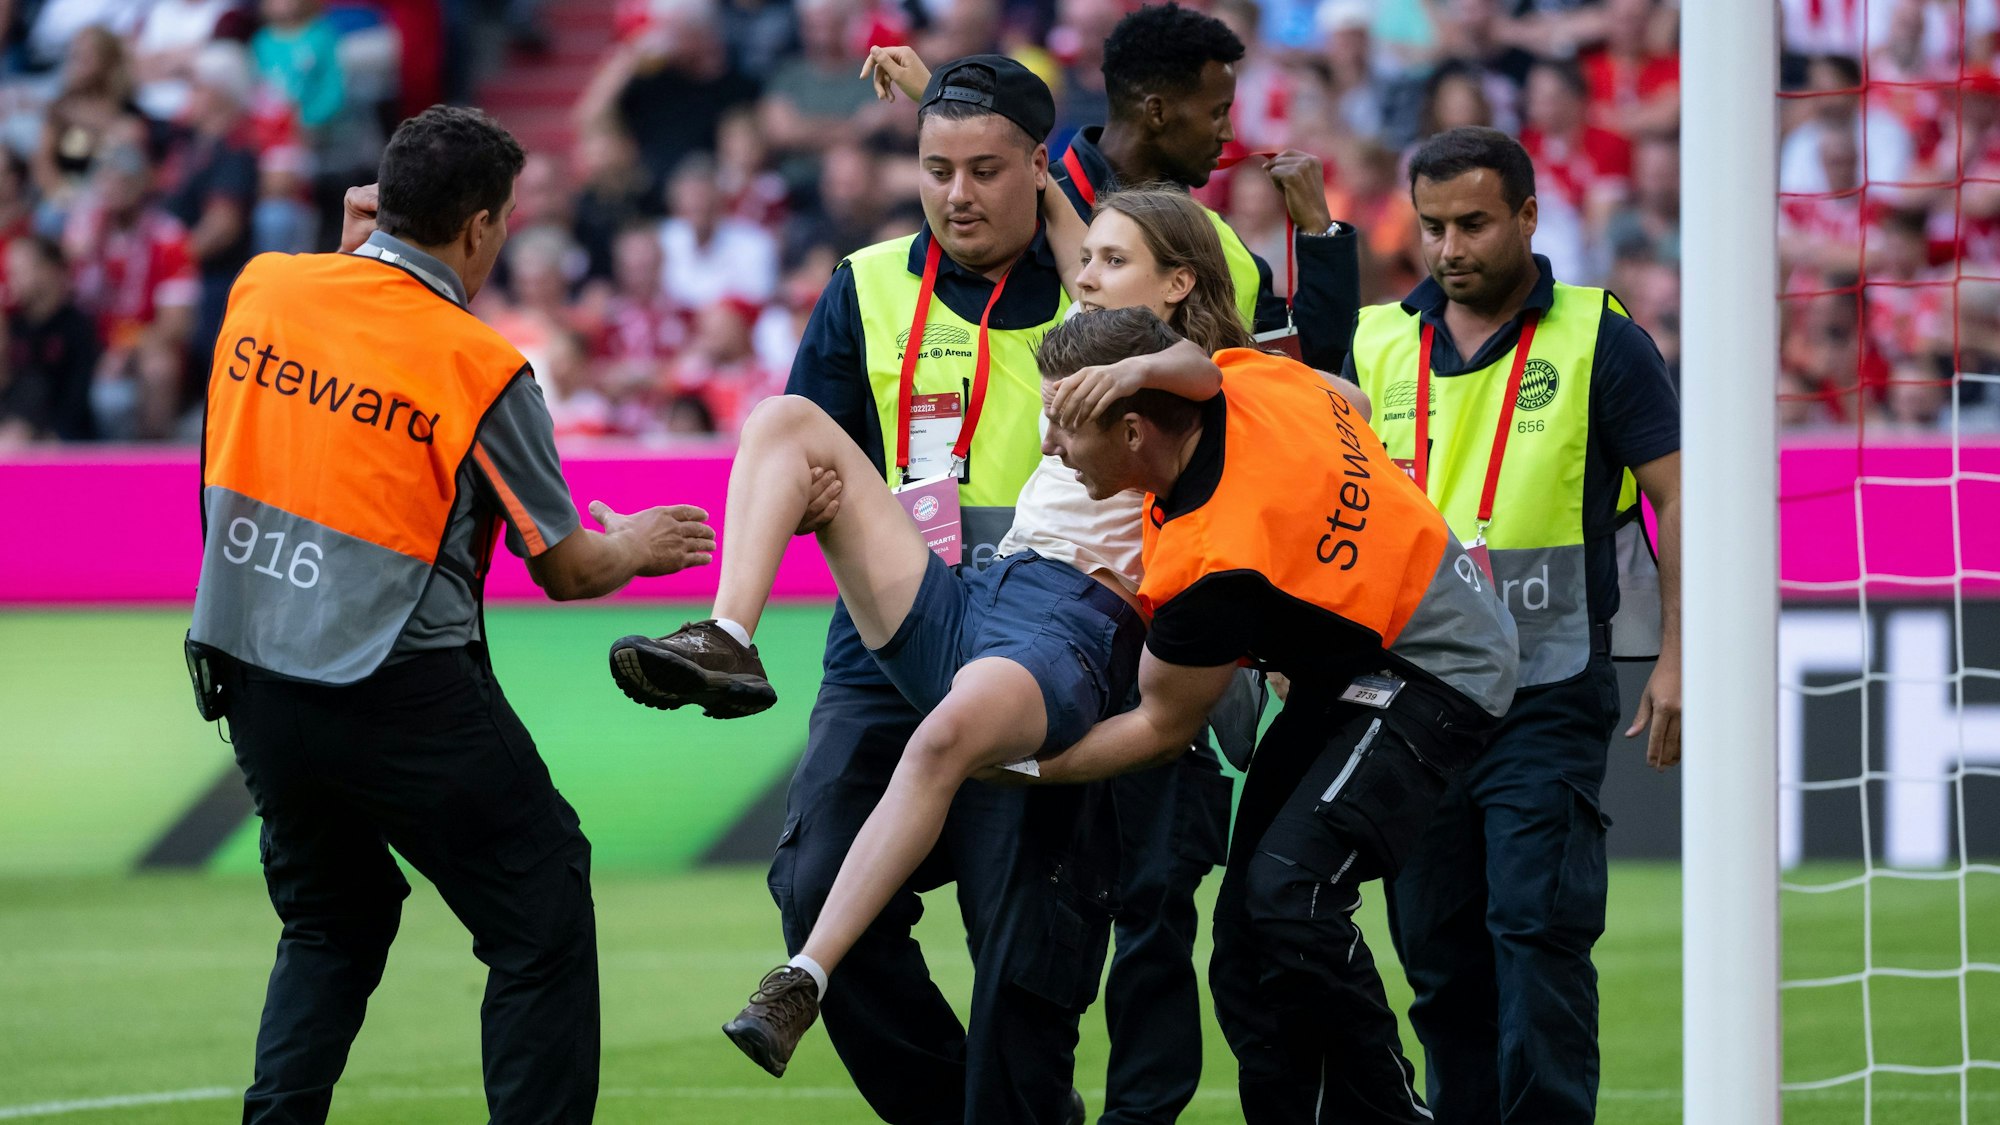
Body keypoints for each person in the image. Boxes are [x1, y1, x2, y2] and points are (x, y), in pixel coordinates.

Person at [619, 186, 1320, 1090]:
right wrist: (941, 99)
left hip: (1080, 631)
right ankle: (725, 635)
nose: (1088, 273)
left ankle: (802, 978)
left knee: (945, 740)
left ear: (1180, 279)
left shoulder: (1220, 378)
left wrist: (1156, 368)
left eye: (1114, 263)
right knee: (784, 422)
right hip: (979, 590)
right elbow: (1057, 206)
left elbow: (1224, 372)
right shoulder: (1096, 333)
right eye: (1091, 259)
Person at [185, 106, 724, 1124]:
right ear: (478, 227)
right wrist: (642, 545)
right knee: (541, 908)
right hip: (399, 689)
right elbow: (565, 569)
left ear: (379, 206)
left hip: (249, 679)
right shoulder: (480, 365)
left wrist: (352, 260)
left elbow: (326, 340)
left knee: (331, 919)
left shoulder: (265, 288)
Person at [610, 57, 1107, 1125]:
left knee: (1017, 929)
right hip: (890, 632)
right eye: (937, 169)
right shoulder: (867, 284)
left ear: (1038, 168)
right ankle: (723, 635)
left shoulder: (1091, 285)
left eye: (984, 169)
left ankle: (1022, 1112)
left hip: (1040, 635)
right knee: (810, 889)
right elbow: (813, 464)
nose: (957, 194)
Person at [1018, 305, 1520, 1125]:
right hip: (1362, 661)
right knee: (1248, 947)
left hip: (1440, 669)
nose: (1048, 446)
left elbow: (1161, 727)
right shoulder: (1253, 380)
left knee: (1292, 897)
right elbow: (1352, 403)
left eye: (1063, 424)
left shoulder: (1208, 564)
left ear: (1138, 430)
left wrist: (1027, 766)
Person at [1345, 125, 1682, 1125]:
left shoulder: (1598, 337)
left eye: (1474, 224)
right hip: (1413, 700)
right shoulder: (1370, 343)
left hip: (1547, 687)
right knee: (1438, 959)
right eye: (1434, 226)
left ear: (1528, 218)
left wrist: (1679, 654)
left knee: (1535, 930)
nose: (1450, 248)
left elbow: (1681, 493)